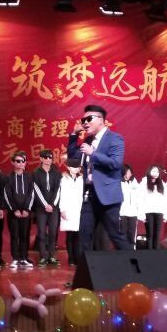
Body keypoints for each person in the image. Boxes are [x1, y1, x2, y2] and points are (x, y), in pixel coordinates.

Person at [67, 104, 132, 253]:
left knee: (115, 235)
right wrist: (74, 134)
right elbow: (73, 157)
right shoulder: (88, 140)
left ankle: (136, 263)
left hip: (107, 196)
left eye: (89, 119)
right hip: (89, 195)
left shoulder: (115, 138)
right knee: (84, 235)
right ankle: (85, 268)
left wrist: (92, 153)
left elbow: (116, 163)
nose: (85, 123)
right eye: (83, 120)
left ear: (101, 120)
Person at [3, 152, 35, 268]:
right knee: (14, 235)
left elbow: (31, 194)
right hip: (13, 212)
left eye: (23, 161)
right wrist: (14, 210)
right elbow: (7, 195)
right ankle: (15, 259)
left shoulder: (29, 177)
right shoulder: (8, 177)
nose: (21, 163)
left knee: (25, 235)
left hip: (26, 212)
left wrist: (27, 209)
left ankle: (24, 258)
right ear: (13, 162)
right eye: (18, 161)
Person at [32, 149, 62, 266]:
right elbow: (36, 190)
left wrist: (52, 205)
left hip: (54, 207)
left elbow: (58, 189)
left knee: (53, 232)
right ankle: (43, 256)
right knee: (41, 232)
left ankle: (51, 256)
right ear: (41, 159)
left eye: (50, 157)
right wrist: (45, 205)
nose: (48, 159)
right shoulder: (36, 173)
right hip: (41, 208)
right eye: (46, 157)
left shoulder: (56, 172)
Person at [60, 158, 84, 266]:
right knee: (69, 234)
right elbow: (62, 194)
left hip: (78, 209)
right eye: (74, 167)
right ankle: (70, 257)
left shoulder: (81, 178)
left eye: (78, 167)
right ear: (69, 167)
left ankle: (77, 256)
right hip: (68, 208)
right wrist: (62, 209)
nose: (76, 169)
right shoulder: (63, 178)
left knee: (77, 234)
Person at [139, 165, 167, 250]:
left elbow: (165, 199)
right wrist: (141, 214)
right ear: (149, 172)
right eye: (153, 171)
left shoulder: (161, 183)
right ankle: (150, 254)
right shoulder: (144, 183)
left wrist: (166, 214)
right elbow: (140, 198)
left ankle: (156, 254)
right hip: (148, 211)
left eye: (157, 172)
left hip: (159, 211)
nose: (156, 173)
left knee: (157, 235)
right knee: (150, 234)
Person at [119, 164, 141, 249]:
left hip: (133, 212)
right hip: (122, 212)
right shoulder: (119, 183)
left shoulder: (135, 183)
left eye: (130, 173)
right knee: (123, 232)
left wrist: (139, 211)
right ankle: (122, 251)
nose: (128, 175)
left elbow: (138, 197)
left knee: (131, 233)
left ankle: (131, 250)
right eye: (126, 172)